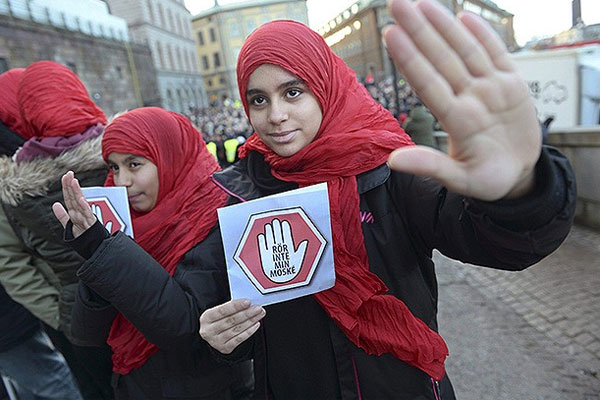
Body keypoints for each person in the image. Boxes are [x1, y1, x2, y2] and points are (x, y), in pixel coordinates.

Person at [198, 1, 576, 398]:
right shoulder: (240, 193)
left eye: (293, 92)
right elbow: (246, 317)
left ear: (325, 88)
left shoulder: (390, 167)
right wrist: (224, 337)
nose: (275, 115)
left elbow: (491, 241)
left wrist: (519, 190)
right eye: (259, 99)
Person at [52, 107, 253, 399]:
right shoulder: (119, 221)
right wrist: (96, 255)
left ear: (169, 156)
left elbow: (183, 327)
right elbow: (86, 333)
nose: (121, 181)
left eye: (134, 164)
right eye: (114, 167)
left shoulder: (216, 217)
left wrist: (103, 252)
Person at [0, 60, 114, 400]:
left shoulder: (15, 183)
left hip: (76, 317)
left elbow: (15, 266)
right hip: (130, 304)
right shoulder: (117, 150)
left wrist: (64, 317)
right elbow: (12, 265)